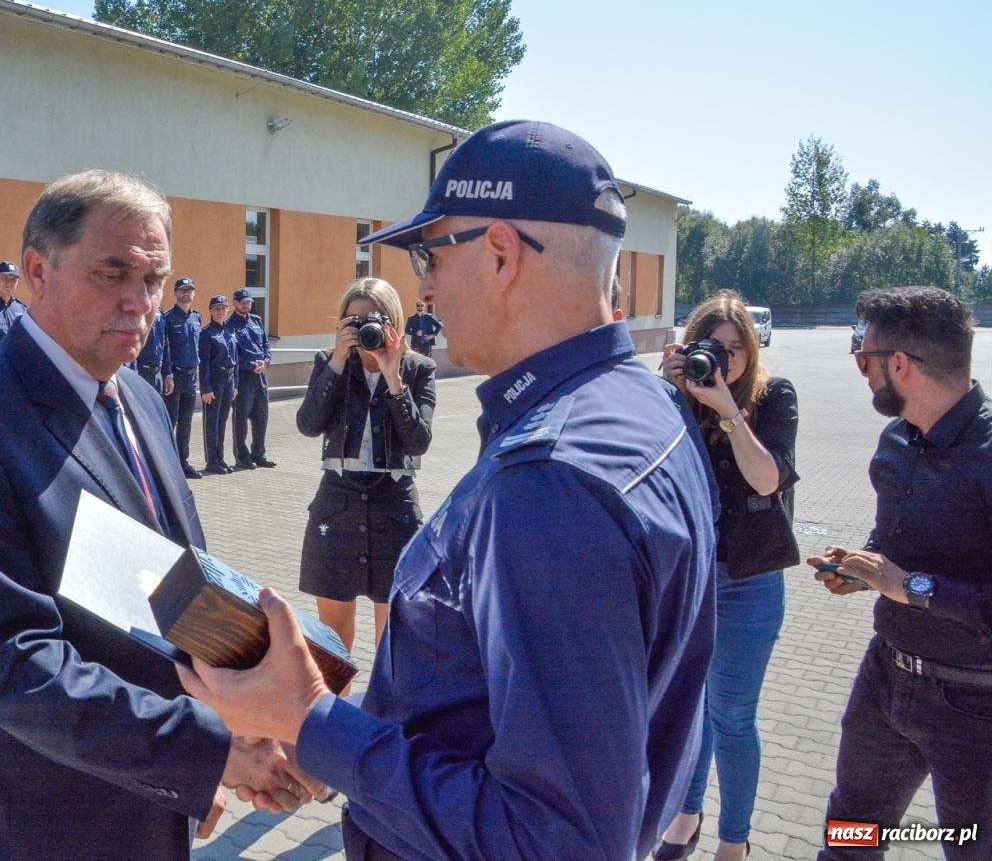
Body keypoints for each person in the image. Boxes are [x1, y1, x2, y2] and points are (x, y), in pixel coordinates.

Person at [179, 119, 719, 860]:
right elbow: (479, 707)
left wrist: (312, 720)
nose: (422, 285)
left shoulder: (552, 481)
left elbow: (556, 841)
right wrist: (326, 743)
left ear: (499, 253)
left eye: (430, 253)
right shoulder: (641, 405)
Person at [0, 170, 305, 860]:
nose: (138, 303)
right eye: (111, 274)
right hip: (35, 823)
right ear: (38, 270)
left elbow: (172, 587)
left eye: (153, 280)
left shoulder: (139, 397)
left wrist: (272, 714)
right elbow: (7, 662)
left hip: (146, 803)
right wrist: (208, 750)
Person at [811, 286, 992, 861]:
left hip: (974, 706)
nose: (861, 371)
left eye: (862, 358)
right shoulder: (896, 439)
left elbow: (914, 580)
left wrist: (907, 586)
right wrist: (862, 569)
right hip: (885, 680)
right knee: (850, 838)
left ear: (899, 364)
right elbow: (891, 546)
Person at [656, 290, 800, 861]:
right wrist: (670, 391)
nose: (723, 359)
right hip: (689, 580)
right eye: (711, 347)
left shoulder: (773, 397)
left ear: (752, 350)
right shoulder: (677, 397)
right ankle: (685, 816)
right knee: (690, 707)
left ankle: (733, 840)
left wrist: (727, 410)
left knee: (733, 715)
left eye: (736, 348)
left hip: (750, 583)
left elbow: (768, 481)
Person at [296, 277, 436, 660]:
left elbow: (418, 441)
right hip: (338, 503)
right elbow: (308, 424)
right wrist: (339, 361)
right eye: (353, 321)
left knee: (393, 639)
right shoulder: (330, 362)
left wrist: (393, 378)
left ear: (393, 322)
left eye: (372, 320)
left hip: (394, 507)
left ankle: (384, 716)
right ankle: (338, 716)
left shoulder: (418, 368)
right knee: (332, 641)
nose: (363, 329)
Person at [229, 287, 276, 469]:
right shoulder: (230, 325)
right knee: (241, 419)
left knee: (261, 416)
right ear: (235, 303)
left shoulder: (257, 321)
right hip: (243, 377)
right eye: (243, 302)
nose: (246, 305)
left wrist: (266, 361)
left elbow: (265, 345)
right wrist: (250, 364)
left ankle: (259, 454)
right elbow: (232, 354)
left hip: (260, 376)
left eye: (248, 302)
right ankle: (242, 457)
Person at [162, 277, 202, 479]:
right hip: (175, 377)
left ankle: (182, 462)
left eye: (190, 290)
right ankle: (167, 463)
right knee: (171, 421)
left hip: (191, 377)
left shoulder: (197, 317)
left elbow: (197, 349)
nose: (186, 293)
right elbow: (165, 349)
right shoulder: (168, 318)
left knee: (186, 422)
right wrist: (168, 374)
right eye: (183, 290)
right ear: (175, 293)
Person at [199, 294, 239, 476]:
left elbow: (235, 360)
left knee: (222, 421)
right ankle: (211, 461)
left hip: (229, 379)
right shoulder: (206, 334)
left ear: (227, 310)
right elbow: (204, 363)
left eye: (223, 309)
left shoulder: (230, 332)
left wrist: (235, 384)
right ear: (211, 311)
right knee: (212, 422)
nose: (220, 312)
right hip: (214, 381)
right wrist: (206, 388)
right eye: (216, 309)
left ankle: (220, 457)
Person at [128, 305, 170, 399]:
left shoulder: (160, 314)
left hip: (158, 374)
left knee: (156, 410)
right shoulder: (138, 311)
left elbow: (165, 344)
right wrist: (133, 373)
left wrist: (168, 374)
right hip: (142, 372)